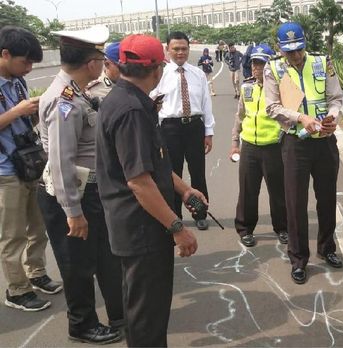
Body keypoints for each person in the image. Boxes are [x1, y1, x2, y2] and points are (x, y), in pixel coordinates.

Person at [96, 33, 204, 347]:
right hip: (142, 228)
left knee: (140, 308)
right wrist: (177, 226)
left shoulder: (126, 100)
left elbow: (153, 164)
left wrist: (185, 190)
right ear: (157, 68)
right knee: (148, 313)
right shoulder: (131, 111)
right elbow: (139, 182)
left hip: (134, 226)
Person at [37, 25, 124, 344]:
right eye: (100, 58)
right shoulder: (65, 101)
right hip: (72, 195)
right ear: (91, 63)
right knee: (77, 264)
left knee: (101, 256)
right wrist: (73, 212)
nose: (103, 64)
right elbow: (60, 162)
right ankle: (82, 324)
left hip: (87, 191)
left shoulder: (76, 92)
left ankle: (117, 313)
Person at [264, 22, 343, 285]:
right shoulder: (273, 68)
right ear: (280, 49)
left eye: (298, 49)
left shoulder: (323, 62)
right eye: (289, 52)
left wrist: (332, 118)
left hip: (324, 141)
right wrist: (300, 118)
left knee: (327, 198)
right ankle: (298, 259)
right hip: (295, 144)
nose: (295, 56)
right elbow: (272, 107)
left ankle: (327, 247)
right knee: (296, 203)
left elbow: (335, 98)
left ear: (305, 43)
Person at [0, 26, 62, 313]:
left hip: (30, 163)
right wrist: (17, 111)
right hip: (5, 171)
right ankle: (17, 290)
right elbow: (12, 119)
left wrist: (36, 111)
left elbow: (25, 125)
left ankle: (36, 273)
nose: (28, 69)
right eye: (24, 62)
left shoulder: (17, 83)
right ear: (5, 54)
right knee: (13, 235)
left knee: (38, 226)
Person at [152, 31, 215, 230]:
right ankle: (175, 216)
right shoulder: (160, 75)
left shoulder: (197, 74)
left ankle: (200, 213)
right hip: (170, 128)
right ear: (167, 50)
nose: (180, 53)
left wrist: (208, 132)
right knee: (173, 174)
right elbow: (151, 103)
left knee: (198, 172)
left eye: (184, 49)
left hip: (194, 127)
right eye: (176, 49)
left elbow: (206, 104)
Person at [230, 44, 287, 248]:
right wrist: (235, 143)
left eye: (262, 63)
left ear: (270, 65)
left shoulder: (281, 89)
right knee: (247, 191)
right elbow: (240, 117)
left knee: (278, 191)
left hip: (274, 147)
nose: (257, 67)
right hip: (250, 148)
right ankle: (245, 229)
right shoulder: (247, 87)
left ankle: (283, 228)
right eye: (254, 62)